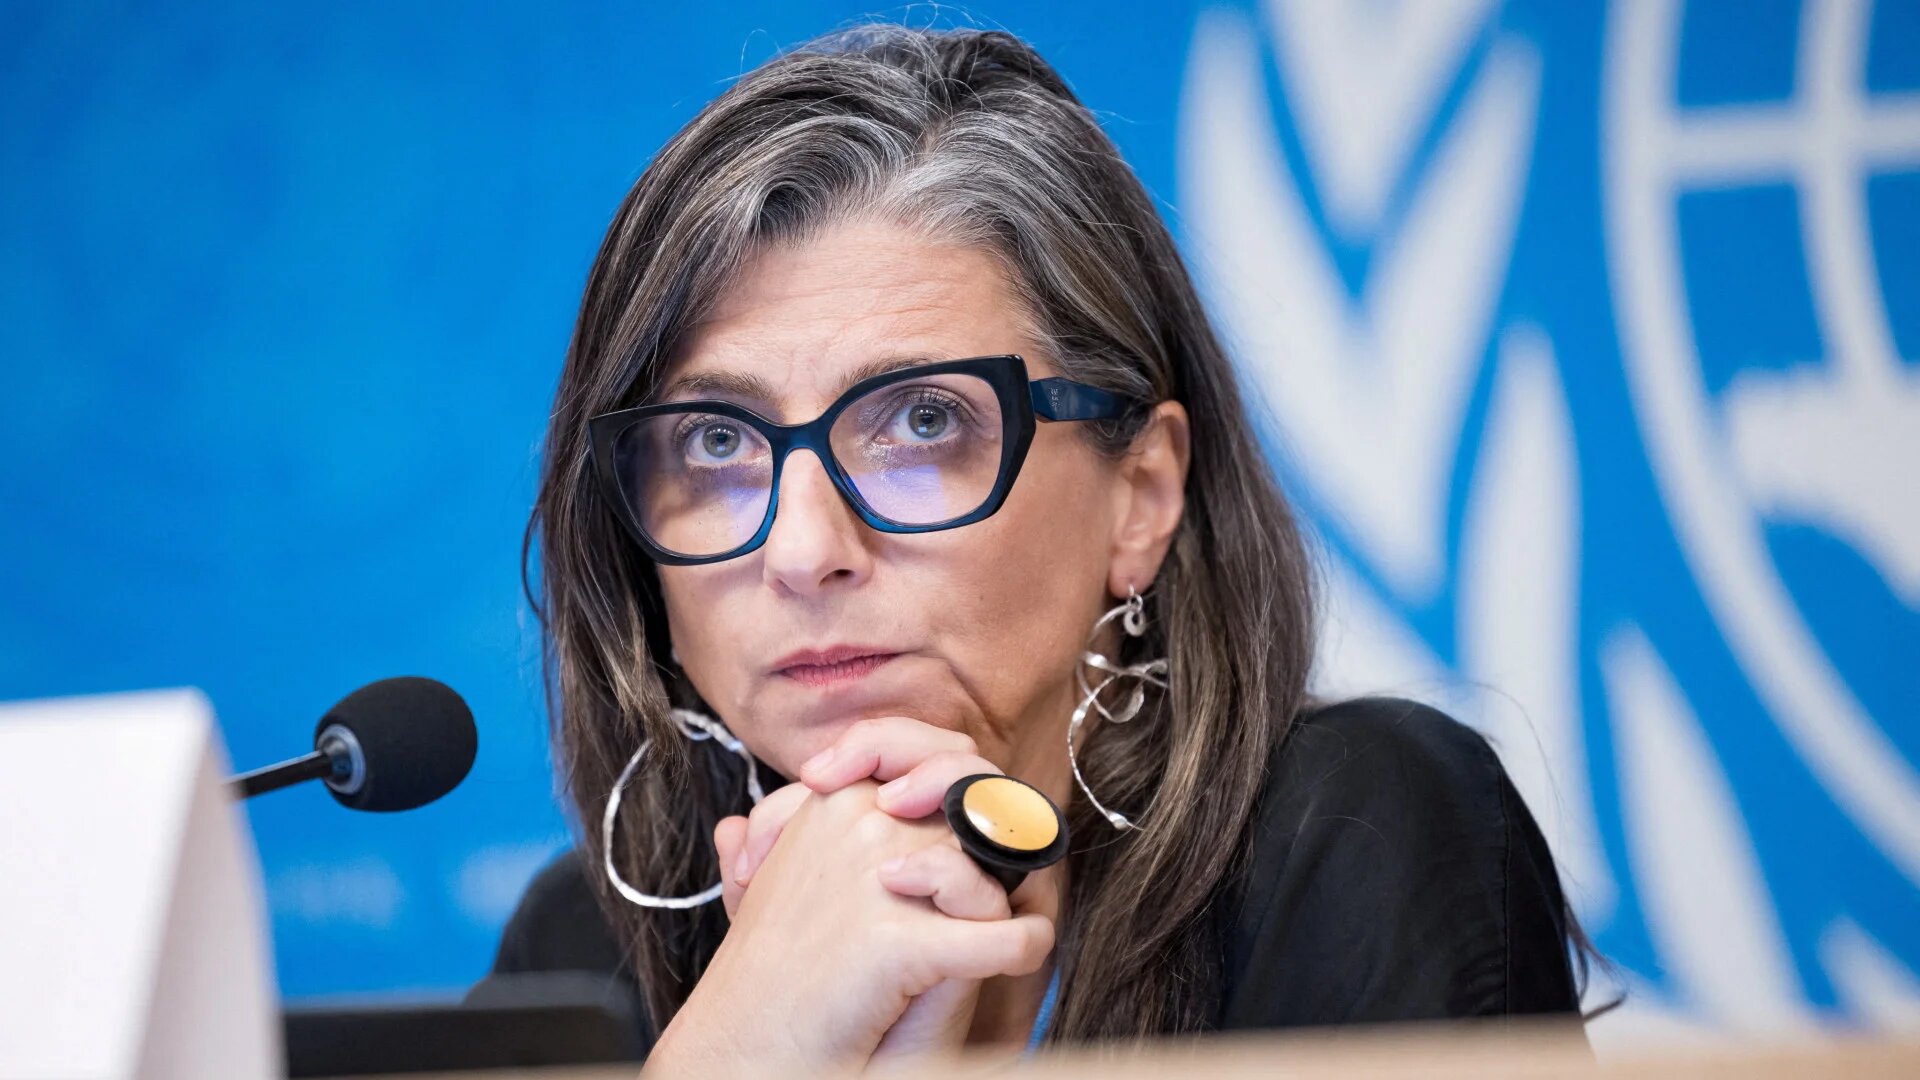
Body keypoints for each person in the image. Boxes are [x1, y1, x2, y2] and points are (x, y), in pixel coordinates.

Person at [487, 23, 1594, 1074]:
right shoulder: (581, 945)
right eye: (718, 442)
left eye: (923, 423)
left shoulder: (1356, 832)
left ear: (1141, 498)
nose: (805, 549)